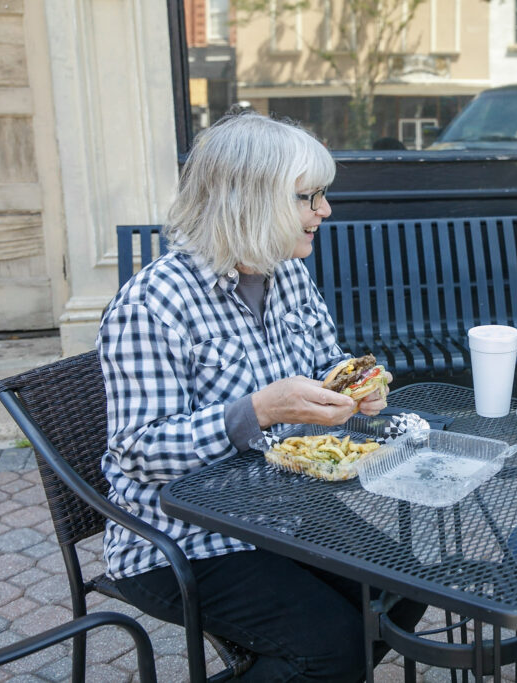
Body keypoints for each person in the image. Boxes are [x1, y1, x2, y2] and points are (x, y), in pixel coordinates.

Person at [97, 111, 425, 681]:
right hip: (180, 537)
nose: (325, 211)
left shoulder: (286, 271)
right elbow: (138, 451)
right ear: (247, 201)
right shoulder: (151, 304)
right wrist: (257, 412)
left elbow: (326, 361)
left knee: (406, 586)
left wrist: (353, 387)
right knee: (334, 646)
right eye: (308, 197)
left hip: (281, 509)